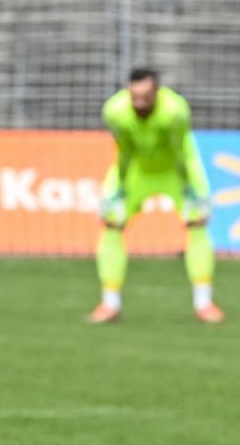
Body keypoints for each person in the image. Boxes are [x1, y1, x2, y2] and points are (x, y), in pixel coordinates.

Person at [90, 69, 221, 324]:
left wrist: (191, 187)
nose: (139, 102)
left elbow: (180, 151)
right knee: (112, 225)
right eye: (134, 96)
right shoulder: (114, 112)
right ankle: (110, 304)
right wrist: (119, 186)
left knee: (197, 226)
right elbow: (124, 151)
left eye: (145, 97)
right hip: (138, 170)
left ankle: (204, 304)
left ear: (157, 94)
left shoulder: (174, 112)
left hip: (176, 169)